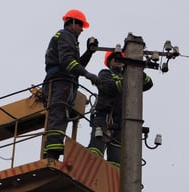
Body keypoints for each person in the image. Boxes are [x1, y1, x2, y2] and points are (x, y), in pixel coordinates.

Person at [42, 9, 100, 160]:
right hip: (60, 82)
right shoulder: (66, 35)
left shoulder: (67, 38)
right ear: (73, 23)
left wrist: (89, 52)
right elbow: (68, 62)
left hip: (62, 81)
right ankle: (52, 152)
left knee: (59, 114)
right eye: (81, 26)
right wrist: (87, 74)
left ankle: (51, 149)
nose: (82, 30)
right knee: (58, 113)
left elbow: (76, 64)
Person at [87, 51, 153, 167]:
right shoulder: (105, 73)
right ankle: (91, 167)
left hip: (121, 121)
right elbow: (108, 87)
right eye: (114, 59)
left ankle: (114, 180)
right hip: (105, 116)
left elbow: (148, 84)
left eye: (120, 59)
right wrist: (129, 80)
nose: (117, 60)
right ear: (109, 62)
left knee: (116, 157)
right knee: (96, 147)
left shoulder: (130, 76)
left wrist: (139, 72)